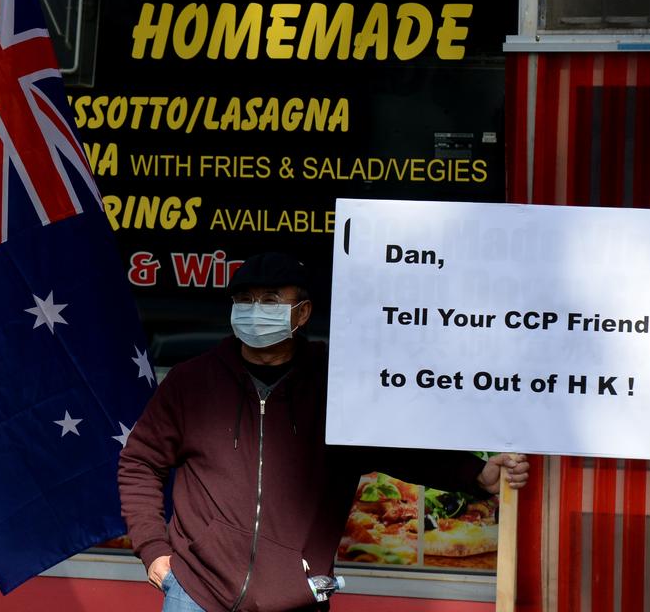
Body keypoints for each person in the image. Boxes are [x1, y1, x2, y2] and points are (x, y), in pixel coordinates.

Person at [118, 251, 529, 612]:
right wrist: (154, 550)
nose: (254, 309)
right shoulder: (192, 382)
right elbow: (139, 462)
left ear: (303, 312)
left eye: (270, 300)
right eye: (244, 300)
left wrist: (474, 474)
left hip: (295, 597)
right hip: (195, 594)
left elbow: (398, 448)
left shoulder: (339, 385)